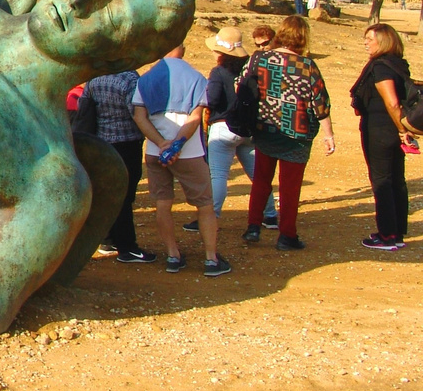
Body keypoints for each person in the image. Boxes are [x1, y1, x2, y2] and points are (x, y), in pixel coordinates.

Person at [132, 46, 231, 276]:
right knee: (205, 204)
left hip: (156, 152)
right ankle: (210, 259)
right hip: (190, 152)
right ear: (183, 49)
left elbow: (139, 117)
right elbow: (196, 117)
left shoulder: (146, 78)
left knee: (163, 203)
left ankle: (173, 255)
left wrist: (162, 143)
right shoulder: (196, 77)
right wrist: (177, 144)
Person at [243, 15, 334, 250]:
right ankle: (287, 235)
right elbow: (320, 104)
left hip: (266, 129)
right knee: (290, 187)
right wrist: (328, 134)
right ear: (303, 37)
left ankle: (253, 226)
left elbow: (240, 84)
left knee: (261, 180)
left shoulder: (260, 59)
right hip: (297, 134)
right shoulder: (307, 66)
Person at [351, 24, 416, 250]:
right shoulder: (398, 63)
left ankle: (387, 235)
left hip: (381, 130)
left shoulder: (381, 67)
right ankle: (396, 232)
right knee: (396, 179)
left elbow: (392, 102)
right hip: (393, 130)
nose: (366, 43)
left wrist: (401, 130)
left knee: (382, 181)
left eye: (370, 39)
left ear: (384, 41)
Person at [82, 68, 155, 263]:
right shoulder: (129, 79)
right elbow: (137, 112)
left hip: (102, 143)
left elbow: (85, 105)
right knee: (126, 195)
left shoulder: (94, 77)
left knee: (107, 193)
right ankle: (127, 247)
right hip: (127, 142)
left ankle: (107, 239)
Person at [202, 26, 270, 228]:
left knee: (219, 175)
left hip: (223, 127)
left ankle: (211, 215)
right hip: (247, 128)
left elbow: (212, 99)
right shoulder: (250, 69)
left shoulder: (219, 72)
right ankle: (271, 213)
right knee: (258, 175)